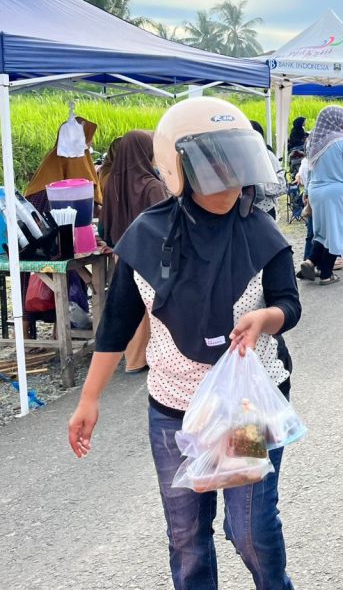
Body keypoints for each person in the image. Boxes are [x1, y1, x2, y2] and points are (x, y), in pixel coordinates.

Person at [67, 97, 301, 590]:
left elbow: (289, 304)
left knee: (250, 531)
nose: (229, 181)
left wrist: (267, 317)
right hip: (174, 407)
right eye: (214, 167)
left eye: (236, 165)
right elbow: (117, 324)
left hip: (243, 409)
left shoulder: (260, 230)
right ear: (177, 168)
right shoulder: (147, 236)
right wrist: (89, 399)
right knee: (187, 536)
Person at [98, 130, 169, 373]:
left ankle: (132, 358)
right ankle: (141, 359)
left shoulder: (112, 183)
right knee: (149, 305)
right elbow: (165, 222)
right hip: (149, 253)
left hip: (121, 251)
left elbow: (104, 222)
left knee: (126, 303)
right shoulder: (151, 185)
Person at [298, 106, 343, 284]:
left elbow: (309, 168)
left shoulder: (313, 140)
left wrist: (308, 191)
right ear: (336, 120)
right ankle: (326, 273)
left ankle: (311, 261)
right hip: (336, 190)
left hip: (315, 190)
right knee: (336, 232)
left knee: (321, 231)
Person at [249, 120, 288, 219]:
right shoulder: (241, 157)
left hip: (264, 210)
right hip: (246, 211)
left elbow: (281, 184)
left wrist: (258, 187)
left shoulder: (267, 156)